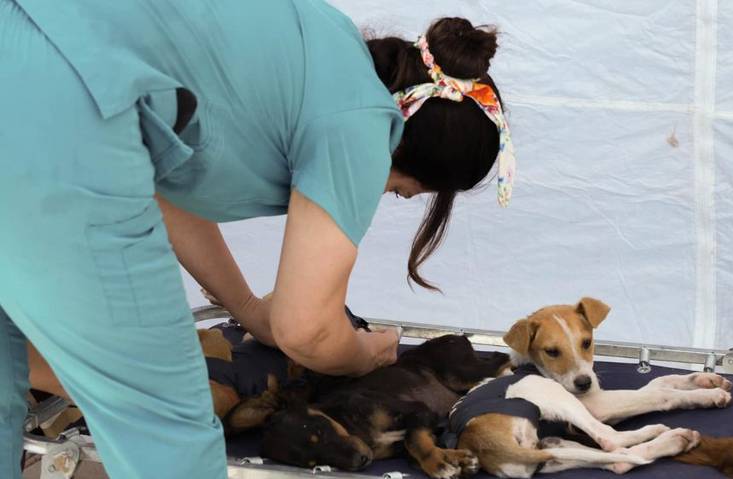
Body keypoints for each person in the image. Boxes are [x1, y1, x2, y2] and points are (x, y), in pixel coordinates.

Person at [0, 0, 514, 477]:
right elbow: (306, 330)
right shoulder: (365, 125)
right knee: (167, 420)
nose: (391, 196)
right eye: (405, 191)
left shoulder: (326, 40)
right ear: (410, 152)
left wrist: (247, 307)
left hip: (24, 36)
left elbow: (160, 184)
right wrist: (366, 351)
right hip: (64, 114)